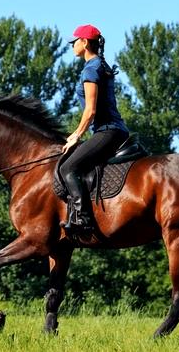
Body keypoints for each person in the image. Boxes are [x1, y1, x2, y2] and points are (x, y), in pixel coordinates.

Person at [59, 24, 129, 233]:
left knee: (67, 168)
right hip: (116, 130)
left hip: (107, 131)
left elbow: (90, 111)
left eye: (75, 41)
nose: (72, 45)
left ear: (85, 42)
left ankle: (83, 218)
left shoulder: (90, 69)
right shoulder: (100, 65)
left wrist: (76, 135)